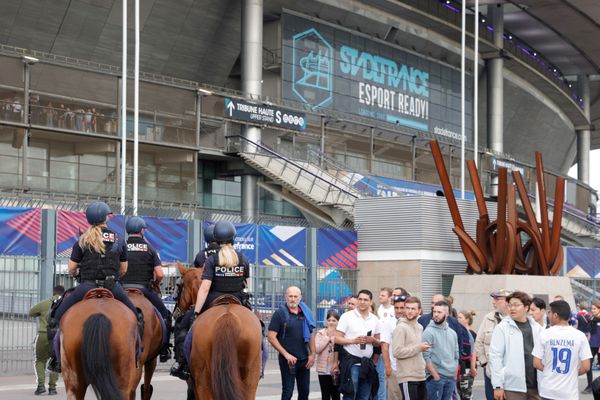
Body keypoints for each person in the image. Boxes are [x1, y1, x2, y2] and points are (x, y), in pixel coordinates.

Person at [47, 201, 143, 372]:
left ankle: (55, 359)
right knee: (137, 317)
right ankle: (137, 354)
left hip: (86, 287)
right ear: (106, 218)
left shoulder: (82, 240)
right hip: (113, 287)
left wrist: (78, 275)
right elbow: (124, 269)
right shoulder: (119, 240)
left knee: (55, 317)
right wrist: (113, 278)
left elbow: (71, 268)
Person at [170, 220, 252, 379]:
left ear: (216, 238)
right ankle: (258, 366)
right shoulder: (243, 259)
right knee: (258, 329)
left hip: (214, 298)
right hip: (237, 299)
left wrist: (196, 312)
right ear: (233, 238)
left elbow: (205, 288)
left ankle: (182, 364)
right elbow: (244, 283)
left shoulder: (211, 260)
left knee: (185, 328)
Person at [121, 216, 172, 362]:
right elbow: (160, 274)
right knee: (166, 315)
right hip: (144, 290)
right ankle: (164, 350)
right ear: (142, 231)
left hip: (122, 289)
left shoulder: (121, 245)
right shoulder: (150, 249)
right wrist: (156, 283)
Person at [532, 300, 591, 400]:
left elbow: (536, 363)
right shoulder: (580, 336)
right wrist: (570, 374)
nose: (548, 315)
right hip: (569, 393)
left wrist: (549, 371)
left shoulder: (545, 334)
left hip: (548, 391)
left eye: (549, 312)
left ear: (555, 315)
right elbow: (586, 367)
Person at [489, 291, 542, 400]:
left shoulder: (537, 328)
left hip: (535, 385)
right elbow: (495, 357)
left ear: (527, 307)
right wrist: (498, 385)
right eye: (510, 305)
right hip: (512, 386)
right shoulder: (502, 328)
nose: (512, 308)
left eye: (516, 305)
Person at [268, 286, 317, 400]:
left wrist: (313, 354)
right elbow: (271, 337)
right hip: (288, 361)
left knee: (304, 392)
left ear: (300, 297)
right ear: (286, 297)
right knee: (287, 392)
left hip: (304, 359)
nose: (293, 299)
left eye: (296, 296)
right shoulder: (279, 314)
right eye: (290, 296)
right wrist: (286, 354)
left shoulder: (305, 312)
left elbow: (311, 334)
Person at [336, 289, 381, 400]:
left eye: (365, 300)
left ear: (370, 302)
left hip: (367, 363)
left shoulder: (375, 319)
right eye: (360, 299)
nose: (362, 302)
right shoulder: (346, 317)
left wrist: (373, 340)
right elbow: (336, 339)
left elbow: (379, 342)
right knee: (350, 395)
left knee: (365, 396)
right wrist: (353, 341)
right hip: (351, 363)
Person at [475, 288, 512, 400]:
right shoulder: (489, 318)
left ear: (507, 301)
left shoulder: (516, 319)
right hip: (491, 373)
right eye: (493, 299)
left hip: (511, 375)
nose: (493, 302)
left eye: (497, 299)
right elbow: (479, 342)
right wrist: (484, 362)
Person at [29, 285, 64, 395]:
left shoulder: (44, 303)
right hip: (57, 336)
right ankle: (52, 388)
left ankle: (40, 386)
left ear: (53, 293)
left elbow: (31, 312)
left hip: (43, 334)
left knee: (40, 360)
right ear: (63, 294)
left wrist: (41, 314)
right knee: (55, 360)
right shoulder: (64, 305)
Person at [422, 300, 459, 400]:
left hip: (450, 378)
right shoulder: (428, 332)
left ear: (446, 314)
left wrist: (454, 375)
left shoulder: (452, 333)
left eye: (439, 312)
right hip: (436, 378)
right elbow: (426, 356)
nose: (436, 314)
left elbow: (456, 355)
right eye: (435, 312)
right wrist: (435, 375)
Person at [380, 295, 407, 400]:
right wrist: (388, 368)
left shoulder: (413, 322)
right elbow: (384, 346)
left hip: (410, 370)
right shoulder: (388, 323)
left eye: (402, 307)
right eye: (396, 308)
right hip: (394, 369)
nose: (399, 311)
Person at [316, 310, 341, 400]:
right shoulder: (320, 333)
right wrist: (327, 337)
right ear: (326, 321)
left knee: (336, 394)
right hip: (323, 369)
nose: (331, 322)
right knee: (325, 394)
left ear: (338, 322)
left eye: (334, 320)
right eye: (329, 320)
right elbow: (317, 349)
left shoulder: (340, 334)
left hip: (336, 368)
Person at [376, 287, 395, 400]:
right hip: (379, 345)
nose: (380, 297)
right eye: (380, 295)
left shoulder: (393, 310)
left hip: (389, 346)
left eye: (383, 295)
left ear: (390, 297)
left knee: (388, 377)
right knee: (380, 376)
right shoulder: (379, 310)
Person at [457, 310, 478, 400]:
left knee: (466, 393)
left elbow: (473, 352)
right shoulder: (458, 331)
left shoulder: (471, 333)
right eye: (457, 317)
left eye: (460, 317)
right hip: (460, 367)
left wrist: (473, 367)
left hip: (467, 367)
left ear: (467, 320)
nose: (457, 319)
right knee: (460, 392)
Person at [584, 301, 600, 393]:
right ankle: (590, 385)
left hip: (599, 345)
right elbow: (589, 332)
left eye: (594, 309)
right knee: (588, 366)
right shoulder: (591, 319)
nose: (592, 310)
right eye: (592, 308)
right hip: (591, 345)